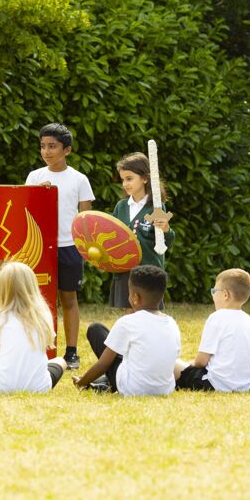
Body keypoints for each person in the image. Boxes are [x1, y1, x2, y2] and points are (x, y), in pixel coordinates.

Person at [25, 123, 95, 370]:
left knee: (68, 299)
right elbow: (26, 211)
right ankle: (38, 350)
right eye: (43, 146)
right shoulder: (34, 176)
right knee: (38, 300)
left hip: (69, 247)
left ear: (67, 150)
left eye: (52, 146)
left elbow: (86, 219)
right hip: (40, 247)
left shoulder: (79, 179)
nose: (46, 151)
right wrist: (38, 193)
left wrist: (84, 249)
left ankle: (72, 353)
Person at [73, 265, 180, 396]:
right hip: (165, 389)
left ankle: (106, 382)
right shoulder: (172, 323)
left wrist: (81, 383)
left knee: (95, 330)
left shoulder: (128, 322)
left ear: (135, 297)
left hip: (132, 389)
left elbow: (103, 364)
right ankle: (105, 382)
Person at [0, 262, 67, 392]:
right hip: (40, 387)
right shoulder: (43, 315)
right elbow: (43, 349)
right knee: (61, 361)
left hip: (2, 386)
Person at [109, 152, 175, 309]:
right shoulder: (121, 207)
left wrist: (166, 229)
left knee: (148, 314)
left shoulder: (156, 207)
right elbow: (112, 235)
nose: (125, 184)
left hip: (148, 270)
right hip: (125, 269)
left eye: (129, 178)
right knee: (129, 314)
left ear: (145, 179)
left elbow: (166, 242)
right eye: (123, 179)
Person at [174, 269, 250, 392]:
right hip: (244, 386)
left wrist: (189, 364)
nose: (212, 295)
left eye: (214, 291)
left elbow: (201, 362)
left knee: (171, 363)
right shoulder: (248, 319)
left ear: (225, 295)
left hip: (214, 384)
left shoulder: (217, 317)